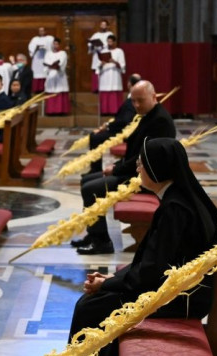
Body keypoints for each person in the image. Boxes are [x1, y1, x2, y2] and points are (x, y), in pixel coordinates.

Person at [59, 137, 217, 356]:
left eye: (141, 164)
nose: (136, 169)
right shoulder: (179, 198)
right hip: (179, 290)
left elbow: (149, 272)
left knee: (91, 306)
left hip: (181, 299)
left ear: (157, 169)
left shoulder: (175, 208)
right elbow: (153, 265)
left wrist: (106, 284)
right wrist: (112, 278)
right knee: (97, 302)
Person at [73, 80, 176, 255]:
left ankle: (101, 241)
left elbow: (144, 158)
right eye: (133, 101)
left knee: (91, 189)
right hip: (136, 172)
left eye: (140, 100)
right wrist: (117, 166)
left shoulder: (160, 121)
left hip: (146, 179)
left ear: (153, 97)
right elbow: (135, 153)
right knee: (86, 180)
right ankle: (93, 234)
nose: (136, 105)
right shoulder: (148, 115)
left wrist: (116, 169)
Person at [86, 73, 142, 173]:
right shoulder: (134, 98)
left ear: (129, 84)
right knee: (95, 136)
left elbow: (125, 121)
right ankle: (95, 168)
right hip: (121, 128)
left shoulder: (132, 100)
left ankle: (95, 169)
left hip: (123, 132)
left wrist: (108, 126)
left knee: (95, 137)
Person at [97, 35, 126, 115]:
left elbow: (122, 65)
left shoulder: (119, 51)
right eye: (108, 41)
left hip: (114, 74)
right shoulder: (103, 51)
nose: (109, 43)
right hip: (105, 75)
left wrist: (114, 61)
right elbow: (98, 66)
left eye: (111, 41)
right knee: (105, 92)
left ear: (114, 42)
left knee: (114, 91)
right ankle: (105, 111)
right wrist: (101, 64)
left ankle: (115, 111)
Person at [44, 37, 70, 115]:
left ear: (59, 45)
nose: (55, 45)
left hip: (59, 75)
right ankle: (51, 111)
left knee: (60, 91)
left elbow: (62, 63)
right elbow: (46, 64)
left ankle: (61, 111)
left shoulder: (62, 53)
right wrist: (49, 67)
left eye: (57, 44)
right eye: (54, 44)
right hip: (51, 75)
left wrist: (58, 66)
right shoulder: (48, 53)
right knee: (51, 91)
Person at [87, 20, 114, 93]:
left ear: (108, 26)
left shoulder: (110, 34)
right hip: (97, 55)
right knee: (96, 71)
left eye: (104, 25)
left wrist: (102, 45)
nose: (103, 26)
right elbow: (90, 46)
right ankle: (96, 89)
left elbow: (110, 43)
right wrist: (91, 44)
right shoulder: (96, 35)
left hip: (106, 55)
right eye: (102, 24)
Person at [28, 27, 54, 93]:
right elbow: (31, 51)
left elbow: (53, 48)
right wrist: (37, 48)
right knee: (37, 75)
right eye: (40, 31)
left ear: (45, 31)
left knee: (46, 75)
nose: (41, 32)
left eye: (42, 30)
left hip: (47, 59)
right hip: (37, 61)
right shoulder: (35, 39)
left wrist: (46, 47)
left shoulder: (50, 38)